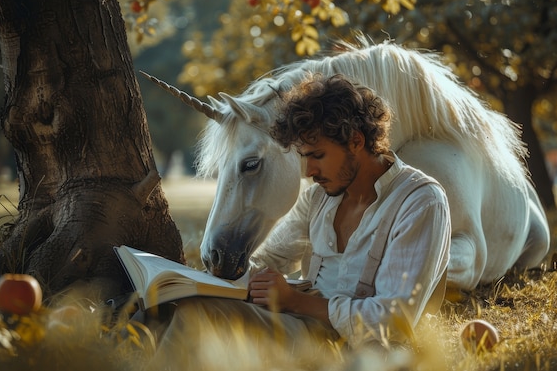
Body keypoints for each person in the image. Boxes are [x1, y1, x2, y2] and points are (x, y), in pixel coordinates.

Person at [145, 73, 451, 367]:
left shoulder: (420, 202)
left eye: (317, 156)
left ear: (356, 141)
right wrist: (201, 279)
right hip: (299, 323)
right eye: (304, 156)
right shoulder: (320, 198)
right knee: (185, 307)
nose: (308, 172)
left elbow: (392, 320)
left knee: (199, 317)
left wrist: (295, 301)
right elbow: (269, 261)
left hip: (351, 350)